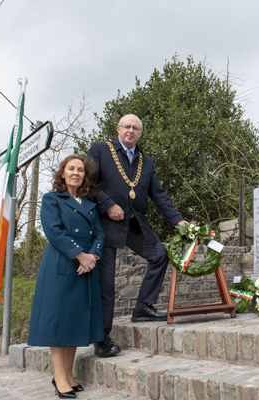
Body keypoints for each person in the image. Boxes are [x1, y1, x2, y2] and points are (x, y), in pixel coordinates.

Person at [87, 114, 187, 358]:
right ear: (118, 129)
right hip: (105, 223)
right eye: (127, 127)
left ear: (140, 133)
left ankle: (143, 306)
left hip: (135, 222)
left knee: (159, 254)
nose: (131, 131)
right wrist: (108, 204)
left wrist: (178, 220)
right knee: (106, 282)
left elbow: (159, 195)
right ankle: (101, 339)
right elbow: (89, 182)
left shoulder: (147, 161)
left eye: (136, 128)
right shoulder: (100, 149)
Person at [28, 155, 104, 399]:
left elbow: (99, 235)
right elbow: (54, 232)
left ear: (84, 175)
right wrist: (79, 255)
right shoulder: (52, 199)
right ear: (63, 173)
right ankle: (59, 377)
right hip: (62, 262)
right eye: (71, 168)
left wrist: (91, 257)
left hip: (85, 266)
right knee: (59, 322)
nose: (75, 173)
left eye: (80, 170)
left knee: (73, 321)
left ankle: (68, 375)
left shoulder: (90, 203)